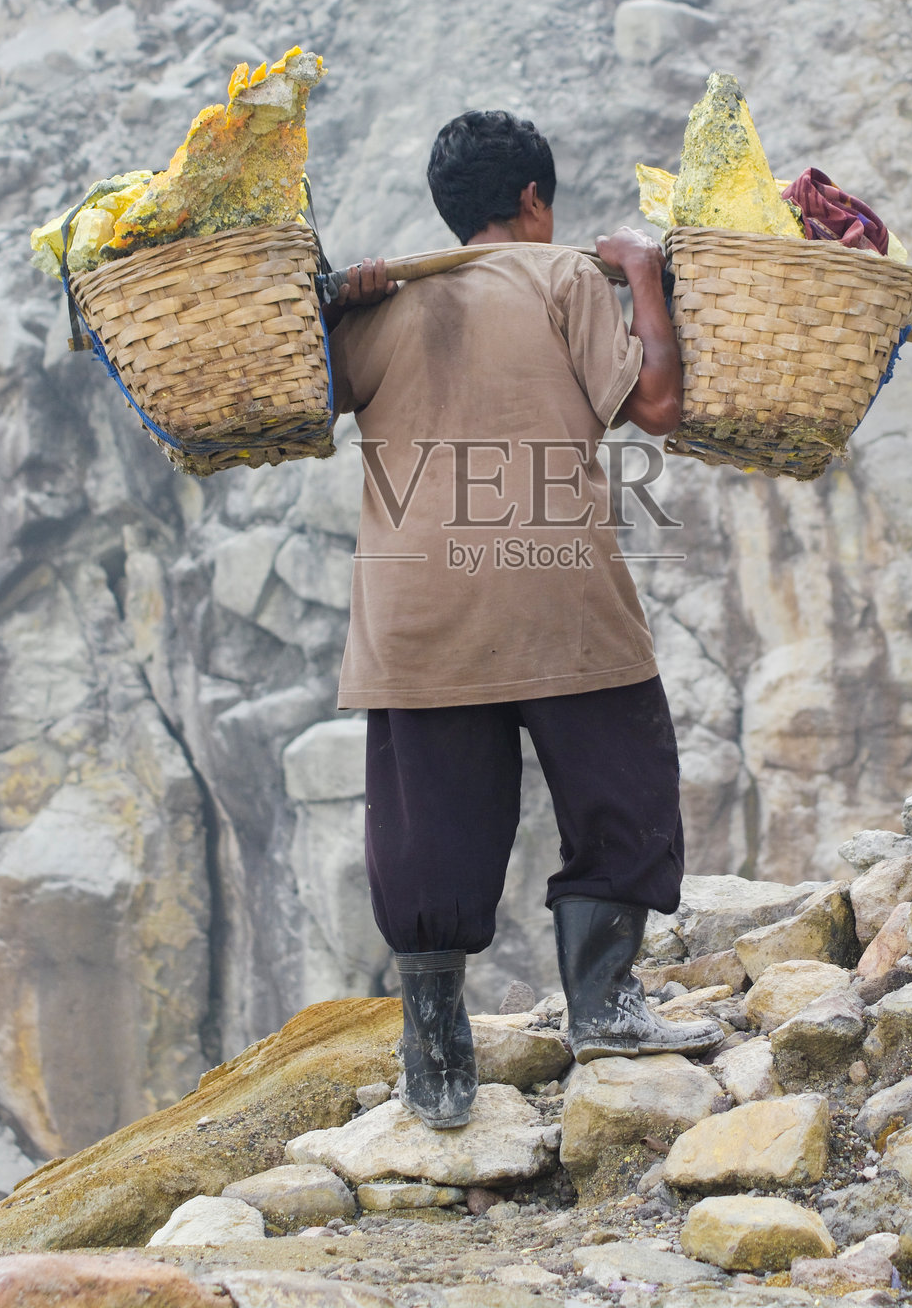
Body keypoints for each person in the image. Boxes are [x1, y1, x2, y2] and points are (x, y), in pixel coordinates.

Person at [327, 109, 720, 1130]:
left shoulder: (382, 304)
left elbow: (293, 403)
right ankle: (603, 1005)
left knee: (428, 821)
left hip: (414, 610)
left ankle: (435, 1044)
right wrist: (635, 269)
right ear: (535, 201)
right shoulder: (563, 279)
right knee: (620, 786)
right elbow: (660, 405)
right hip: (556, 592)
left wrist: (337, 303)